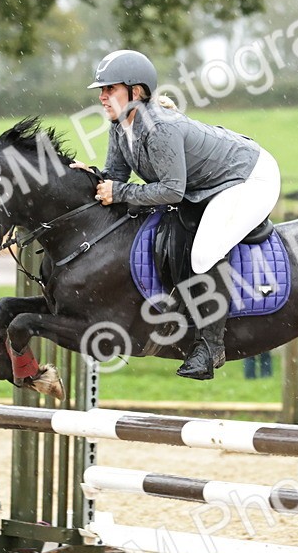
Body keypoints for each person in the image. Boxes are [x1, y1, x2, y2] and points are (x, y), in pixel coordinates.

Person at [73, 50, 282, 380]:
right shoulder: (119, 126)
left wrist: (120, 192)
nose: (102, 97)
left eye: (109, 89)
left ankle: (211, 348)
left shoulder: (159, 130)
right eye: (102, 91)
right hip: (211, 183)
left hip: (250, 177)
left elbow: (171, 191)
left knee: (204, 251)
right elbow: (116, 175)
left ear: (136, 92)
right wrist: (87, 179)